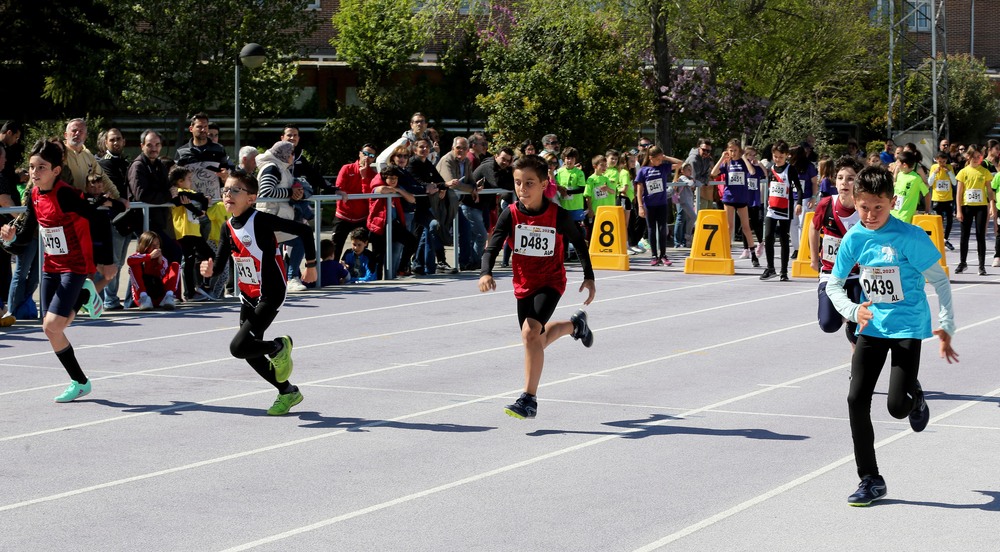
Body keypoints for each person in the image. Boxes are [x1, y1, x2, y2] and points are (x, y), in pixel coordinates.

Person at [824, 164, 958, 506]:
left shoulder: (910, 238)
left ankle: (915, 395)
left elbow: (940, 281)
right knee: (856, 400)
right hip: (871, 325)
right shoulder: (855, 238)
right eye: (864, 207)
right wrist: (853, 311)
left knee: (897, 408)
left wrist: (946, 324)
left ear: (892, 201)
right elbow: (834, 284)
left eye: (878, 207)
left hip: (908, 327)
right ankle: (870, 478)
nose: (870, 215)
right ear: (855, 200)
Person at [479, 154, 595, 419]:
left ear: (545, 184)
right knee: (537, 341)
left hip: (551, 280)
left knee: (530, 334)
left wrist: (589, 277)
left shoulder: (558, 215)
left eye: (529, 183)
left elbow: (579, 243)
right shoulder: (510, 214)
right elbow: (493, 246)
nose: (522, 189)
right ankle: (575, 326)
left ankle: (528, 399)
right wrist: (486, 272)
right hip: (524, 283)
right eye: (518, 183)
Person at [200, 171, 318, 416]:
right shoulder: (227, 226)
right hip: (248, 294)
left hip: (271, 291)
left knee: (238, 346)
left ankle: (278, 347)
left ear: (251, 198)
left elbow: (305, 232)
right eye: (225, 190)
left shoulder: (260, 220)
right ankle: (287, 392)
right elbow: (221, 265)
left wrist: (312, 265)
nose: (227, 194)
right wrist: (210, 270)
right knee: (248, 351)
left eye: (235, 190)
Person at [0, 140, 110, 402]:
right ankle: (80, 382)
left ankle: (85, 291)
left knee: (52, 323)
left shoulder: (65, 194)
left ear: (56, 170)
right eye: (31, 167)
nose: (35, 173)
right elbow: (25, 238)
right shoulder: (34, 196)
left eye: (42, 167)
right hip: (51, 266)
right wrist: (9, 239)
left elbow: (99, 219)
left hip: (74, 265)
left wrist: (107, 260)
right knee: (52, 329)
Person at [809, 156, 864, 345]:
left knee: (859, 330)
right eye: (840, 178)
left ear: (858, 181)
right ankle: (845, 317)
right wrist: (814, 258)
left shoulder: (864, 207)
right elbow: (813, 227)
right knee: (828, 324)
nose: (844, 183)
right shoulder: (826, 204)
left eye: (850, 178)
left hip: (858, 275)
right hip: (831, 273)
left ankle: (855, 372)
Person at [168, 166, 216, 301]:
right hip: (185, 231)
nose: (191, 181)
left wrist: (202, 209)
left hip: (195, 231)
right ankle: (191, 292)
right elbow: (184, 199)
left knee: (208, 257)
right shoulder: (177, 192)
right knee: (189, 262)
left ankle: (202, 286)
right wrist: (198, 208)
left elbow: (202, 199)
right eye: (189, 179)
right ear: (180, 181)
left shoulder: (190, 192)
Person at [710, 139, 760, 265]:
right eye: (730, 150)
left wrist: (744, 158)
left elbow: (752, 172)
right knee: (729, 226)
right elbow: (713, 173)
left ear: (740, 150)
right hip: (729, 198)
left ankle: (753, 254)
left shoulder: (744, 162)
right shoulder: (727, 163)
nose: (733, 153)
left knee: (746, 227)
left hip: (742, 198)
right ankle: (727, 251)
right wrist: (722, 158)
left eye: (735, 150)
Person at [761, 140, 803, 281]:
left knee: (784, 239)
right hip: (772, 208)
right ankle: (770, 267)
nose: (777, 159)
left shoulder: (790, 169)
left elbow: (798, 187)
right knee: (768, 237)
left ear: (786, 156)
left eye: (780, 157)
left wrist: (798, 203)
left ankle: (784, 271)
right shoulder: (771, 169)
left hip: (785, 209)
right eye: (775, 156)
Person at [366, 165, 417, 278]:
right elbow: (382, 190)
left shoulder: (397, 188)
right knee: (378, 255)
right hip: (379, 225)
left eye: (396, 178)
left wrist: (399, 190)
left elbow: (412, 199)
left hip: (393, 224)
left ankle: (402, 268)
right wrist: (395, 190)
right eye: (391, 178)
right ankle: (376, 279)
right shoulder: (376, 186)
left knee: (412, 242)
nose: (393, 180)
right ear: (384, 178)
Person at [954, 145, 997, 275]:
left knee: (980, 236)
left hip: (981, 207)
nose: (977, 159)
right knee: (964, 236)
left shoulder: (984, 172)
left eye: (979, 157)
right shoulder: (963, 172)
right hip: (967, 206)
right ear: (968, 157)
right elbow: (959, 193)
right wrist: (959, 210)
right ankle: (962, 262)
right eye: (974, 157)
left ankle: (981, 265)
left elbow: (989, 191)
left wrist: (992, 205)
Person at [636, 145, 680, 266]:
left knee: (662, 229)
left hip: (662, 203)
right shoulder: (643, 171)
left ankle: (663, 255)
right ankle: (654, 255)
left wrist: (665, 157)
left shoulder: (663, 167)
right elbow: (639, 190)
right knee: (651, 229)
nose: (660, 161)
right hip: (649, 204)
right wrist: (640, 206)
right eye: (658, 159)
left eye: (661, 159)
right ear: (651, 158)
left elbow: (680, 163)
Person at [332, 144, 377, 261]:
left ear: (374, 159)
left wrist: (364, 178)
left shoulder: (373, 175)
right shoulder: (347, 168)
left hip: (361, 217)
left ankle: (360, 271)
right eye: (365, 153)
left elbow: (369, 196)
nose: (367, 157)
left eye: (371, 155)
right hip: (343, 215)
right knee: (335, 247)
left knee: (362, 246)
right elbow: (339, 188)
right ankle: (332, 273)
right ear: (359, 153)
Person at [127, 231, 179, 310]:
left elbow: (165, 279)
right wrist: (149, 257)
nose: (156, 247)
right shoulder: (139, 256)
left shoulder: (162, 259)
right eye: (152, 245)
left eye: (157, 244)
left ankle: (168, 297)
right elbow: (130, 260)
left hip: (158, 293)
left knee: (175, 265)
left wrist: (160, 264)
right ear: (145, 245)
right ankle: (144, 297)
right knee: (133, 266)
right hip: (142, 296)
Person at [890, 150, 930, 224]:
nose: (896, 164)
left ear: (904, 165)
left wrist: (927, 210)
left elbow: (927, 193)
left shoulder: (916, 179)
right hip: (893, 215)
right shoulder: (900, 175)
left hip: (905, 217)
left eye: (898, 162)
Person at [928, 150, 957, 251]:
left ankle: (945, 239)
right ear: (936, 160)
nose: (942, 164)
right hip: (937, 198)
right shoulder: (933, 168)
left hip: (948, 198)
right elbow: (930, 183)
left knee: (950, 220)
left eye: (944, 161)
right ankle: (940, 240)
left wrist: (948, 172)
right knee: (939, 221)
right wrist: (934, 173)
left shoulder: (949, 168)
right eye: (940, 162)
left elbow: (954, 182)